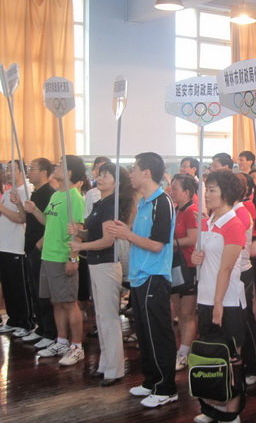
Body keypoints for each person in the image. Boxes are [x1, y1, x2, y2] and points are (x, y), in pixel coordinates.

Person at [105, 152, 177, 408]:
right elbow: (140, 239)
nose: (131, 174)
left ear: (146, 173)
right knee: (144, 334)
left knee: (158, 334)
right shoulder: (144, 203)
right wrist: (124, 231)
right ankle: (151, 380)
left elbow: (157, 245)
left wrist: (127, 234)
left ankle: (166, 388)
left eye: (134, 169)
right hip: (139, 277)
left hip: (154, 277)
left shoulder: (162, 202)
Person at [68, 163, 134, 386]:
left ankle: (115, 369)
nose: (101, 177)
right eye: (101, 173)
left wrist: (81, 246)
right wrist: (80, 232)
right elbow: (95, 234)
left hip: (106, 265)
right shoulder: (100, 203)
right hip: (96, 264)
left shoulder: (111, 205)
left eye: (107, 175)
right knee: (101, 317)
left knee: (109, 318)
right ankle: (105, 364)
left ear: (117, 182)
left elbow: (107, 241)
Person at [191, 170, 247, 423]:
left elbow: (226, 269)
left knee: (231, 358)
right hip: (205, 298)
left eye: (213, 190)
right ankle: (212, 408)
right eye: (207, 189)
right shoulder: (209, 222)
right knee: (211, 356)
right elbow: (207, 259)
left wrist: (217, 304)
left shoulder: (234, 225)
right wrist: (197, 258)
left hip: (227, 302)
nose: (207, 194)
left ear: (227, 193)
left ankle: (232, 412)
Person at [24, 156, 86, 366]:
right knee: (56, 302)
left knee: (69, 302)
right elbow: (48, 221)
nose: (56, 168)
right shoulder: (56, 195)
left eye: (60, 165)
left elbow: (78, 230)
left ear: (69, 173)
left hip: (62, 256)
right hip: (48, 255)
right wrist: (34, 210)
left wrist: (73, 258)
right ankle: (61, 341)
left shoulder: (74, 197)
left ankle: (77, 347)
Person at [19, 158, 57, 347]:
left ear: (43, 172)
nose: (28, 172)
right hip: (32, 247)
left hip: (41, 248)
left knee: (44, 293)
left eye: (32, 169)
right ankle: (41, 328)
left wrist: (38, 246)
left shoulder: (50, 194)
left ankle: (50, 332)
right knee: (35, 290)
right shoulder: (36, 193)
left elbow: (51, 224)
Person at [169, 174, 199, 372]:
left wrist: (168, 244)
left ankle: (184, 352)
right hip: (175, 265)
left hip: (189, 265)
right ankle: (182, 348)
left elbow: (192, 239)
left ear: (187, 192)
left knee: (187, 312)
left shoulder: (192, 211)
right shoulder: (176, 210)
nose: (171, 191)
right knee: (179, 311)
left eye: (175, 188)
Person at [236, 172, 256, 386]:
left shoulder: (243, 212)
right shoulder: (222, 213)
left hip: (241, 271)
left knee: (245, 319)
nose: (208, 194)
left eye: (213, 189)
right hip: (228, 273)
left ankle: (253, 365)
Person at [0, 160, 33, 336]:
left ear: (21, 171)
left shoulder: (26, 191)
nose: (7, 172)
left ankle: (25, 322)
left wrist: (2, 208)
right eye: (6, 169)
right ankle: (13, 319)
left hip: (16, 246)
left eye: (12, 169)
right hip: (3, 245)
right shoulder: (7, 192)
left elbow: (22, 218)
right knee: (8, 287)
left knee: (19, 287)